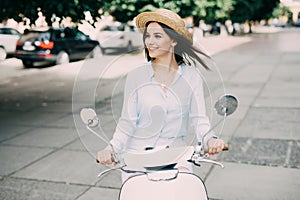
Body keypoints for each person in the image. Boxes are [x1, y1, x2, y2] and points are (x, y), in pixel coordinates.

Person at [97, 8, 225, 181]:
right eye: (147, 36)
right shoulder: (136, 75)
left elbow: (199, 119)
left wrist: (211, 140)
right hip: (137, 158)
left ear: (173, 41)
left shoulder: (191, 76)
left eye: (157, 36)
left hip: (176, 157)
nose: (150, 41)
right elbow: (127, 122)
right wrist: (111, 148)